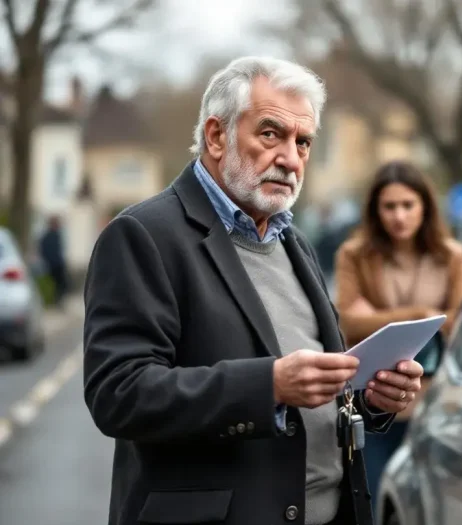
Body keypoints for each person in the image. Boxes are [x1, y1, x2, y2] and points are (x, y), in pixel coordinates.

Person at [82, 56, 424, 525]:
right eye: (270, 134)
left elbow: (316, 397)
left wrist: (370, 398)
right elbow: (117, 393)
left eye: (303, 142)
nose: (290, 158)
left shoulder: (292, 241)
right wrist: (269, 386)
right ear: (217, 135)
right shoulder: (143, 235)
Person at [334, 160, 462, 510]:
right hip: (373, 399)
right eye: (389, 206)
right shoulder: (356, 255)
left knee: (432, 508)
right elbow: (347, 323)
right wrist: (422, 316)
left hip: (436, 406)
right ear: (375, 210)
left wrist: (378, 318)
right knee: (376, 501)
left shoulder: (451, 256)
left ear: (425, 206)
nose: (399, 216)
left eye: (408, 205)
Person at [39, 215, 67, 306]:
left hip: (56, 263)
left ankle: (57, 300)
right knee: (58, 284)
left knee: (61, 284)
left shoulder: (54, 235)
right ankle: (55, 301)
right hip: (53, 264)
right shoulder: (49, 236)